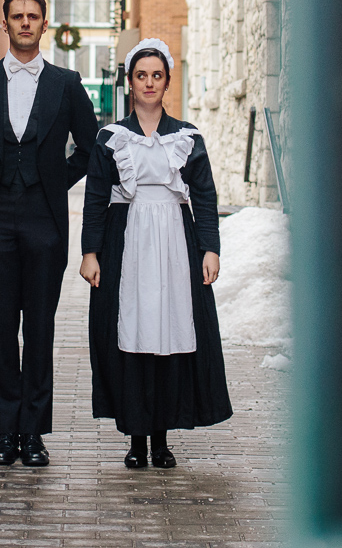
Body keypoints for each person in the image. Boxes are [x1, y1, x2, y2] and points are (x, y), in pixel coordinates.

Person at [0, 0, 99, 467]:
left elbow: (90, 147)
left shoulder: (67, 83)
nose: (26, 23)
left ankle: (33, 434)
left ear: (44, 25)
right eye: (18, 16)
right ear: (5, 24)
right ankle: (4, 433)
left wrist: (55, 181)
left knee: (39, 329)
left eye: (34, 16)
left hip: (45, 222)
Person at [79, 38, 232, 468]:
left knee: (170, 334)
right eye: (141, 75)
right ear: (130, 82)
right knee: (131, 335)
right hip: (125, 238)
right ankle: (136, 439)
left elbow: (204, 197)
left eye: (157, 76)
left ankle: (162, 439)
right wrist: (91, 252)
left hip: (174, 242)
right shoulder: (111, 137)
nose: (149, 83)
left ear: (167, 82)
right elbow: (94, 197)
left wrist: (210, 249)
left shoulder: (186, 136)